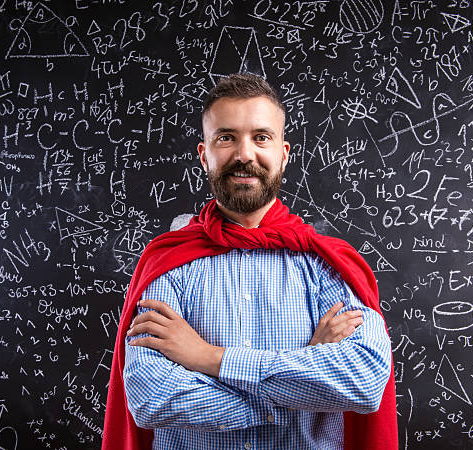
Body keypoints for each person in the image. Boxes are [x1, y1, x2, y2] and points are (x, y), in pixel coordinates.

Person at [102, 73, 397, 450]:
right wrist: (299, 380)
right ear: (204, 153)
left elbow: (364, 381)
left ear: (283, 154)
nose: (244, 154)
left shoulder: (326, 264)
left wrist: (210, 358)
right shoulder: (169, 263)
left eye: (261, 137)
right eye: (226, 137)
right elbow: (150, 398)